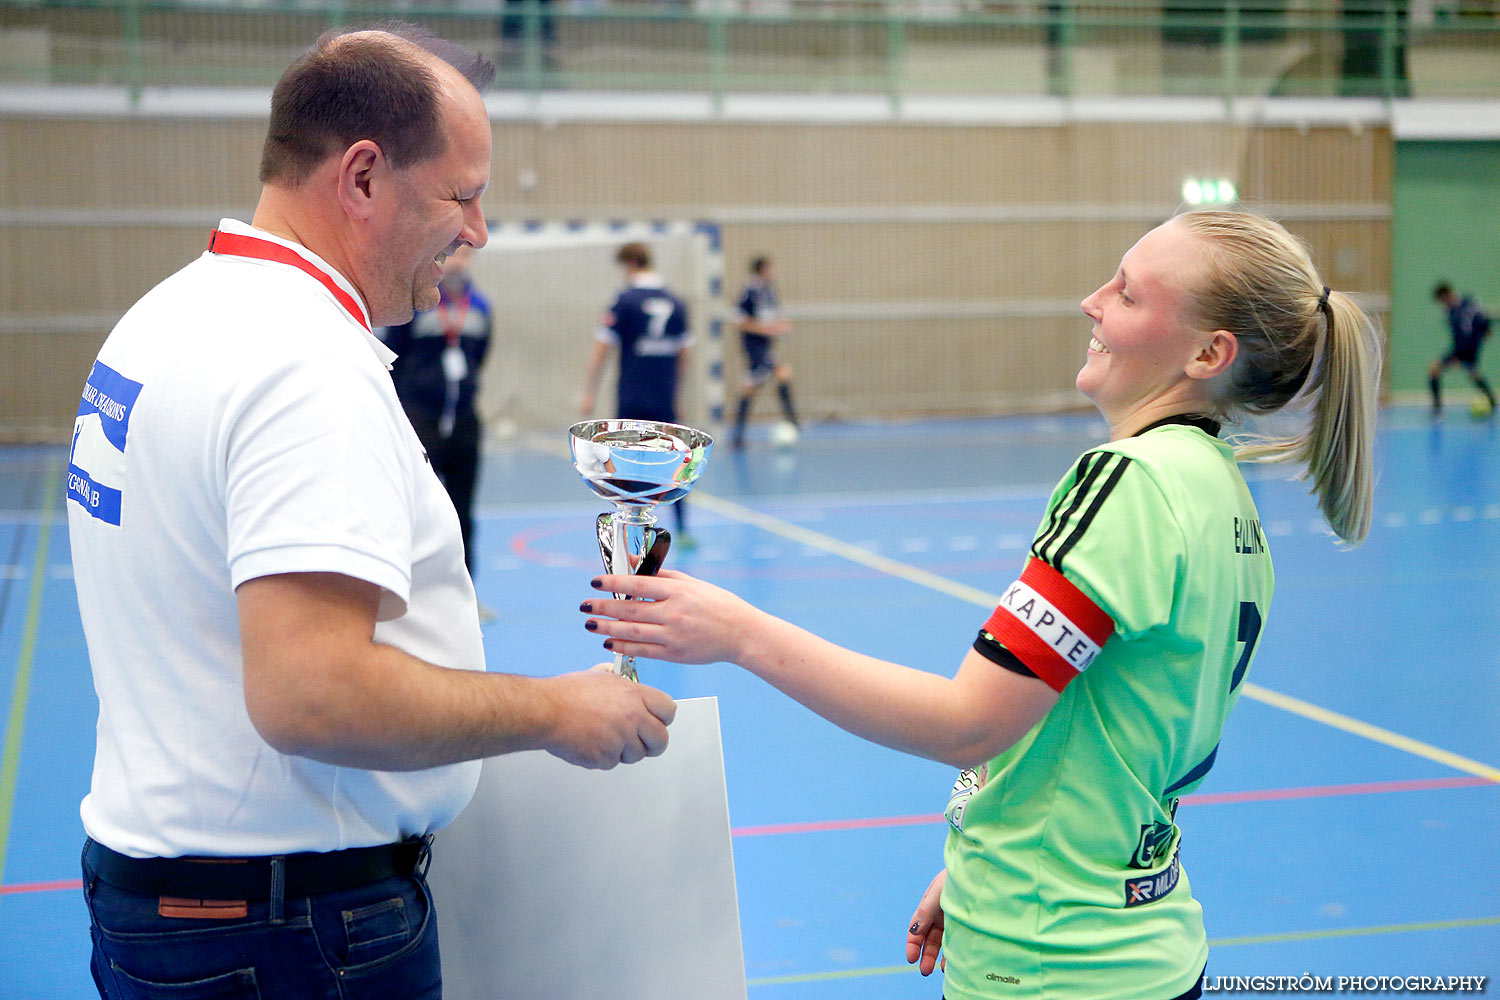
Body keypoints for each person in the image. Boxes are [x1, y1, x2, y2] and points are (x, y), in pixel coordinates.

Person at [580, 210, 1382, 999]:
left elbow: (970, 722)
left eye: (1129, 295)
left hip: (1051, 964)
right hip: (1139, 939)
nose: (1092, 302)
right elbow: (1103, 739)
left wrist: (739, 632)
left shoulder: (1130, 483)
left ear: (1210, 352)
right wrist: (987, 852)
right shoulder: (1223, 495)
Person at [65, 25, 675, 999]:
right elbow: (315, 693)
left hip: (180, 903)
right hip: (288, 931)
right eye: (461, 194)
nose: (477, 229)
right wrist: (557, 709)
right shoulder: (303, 363)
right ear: (361, 178)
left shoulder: (172, 312)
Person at [379, 244, 498, 621]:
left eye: (466, 257)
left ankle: (467, 598)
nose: (459, 263)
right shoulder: (418, 305)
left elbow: (480, 357)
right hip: (421, 420)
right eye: (453, 256)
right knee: (419, 512)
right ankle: (410, 600)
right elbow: (392, 357)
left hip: (464, 422)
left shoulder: (481, 307)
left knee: (464, 512)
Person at [581, 241, 695, 542]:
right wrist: (677, 394)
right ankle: (681, 528)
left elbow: (602, 349)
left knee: (627, 464)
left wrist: (589, 390)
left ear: (629, 265)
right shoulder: (676, 301)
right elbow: (685, 354)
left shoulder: (624, 300)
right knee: (676, 460)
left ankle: (628, 529)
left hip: (632, 395)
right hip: (664, 395)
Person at [731, 254, 800, 450]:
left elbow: (773, 316)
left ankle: (739, 435)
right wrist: (767, 329)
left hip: (767, 347)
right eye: (770, 269)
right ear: (762, 270)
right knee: (771, 377)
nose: (774, 273)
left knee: (768, 380)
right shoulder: (749, 291)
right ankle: (792, 421)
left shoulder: (769, 290)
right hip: (754, 348)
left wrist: (781, 326)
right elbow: (739, 321)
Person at [1429, 282, 1494, 417]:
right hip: (1457, 349)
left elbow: (1483, 321)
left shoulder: (1468, 305)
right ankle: (1437, 406)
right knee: (1435, 370)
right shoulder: (1450, 311)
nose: (1442, 304)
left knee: (1473, 373)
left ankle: (1491, 401)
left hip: (1469, 348)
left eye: (1442, 300)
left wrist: (1486, 331)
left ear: (1447, 295)